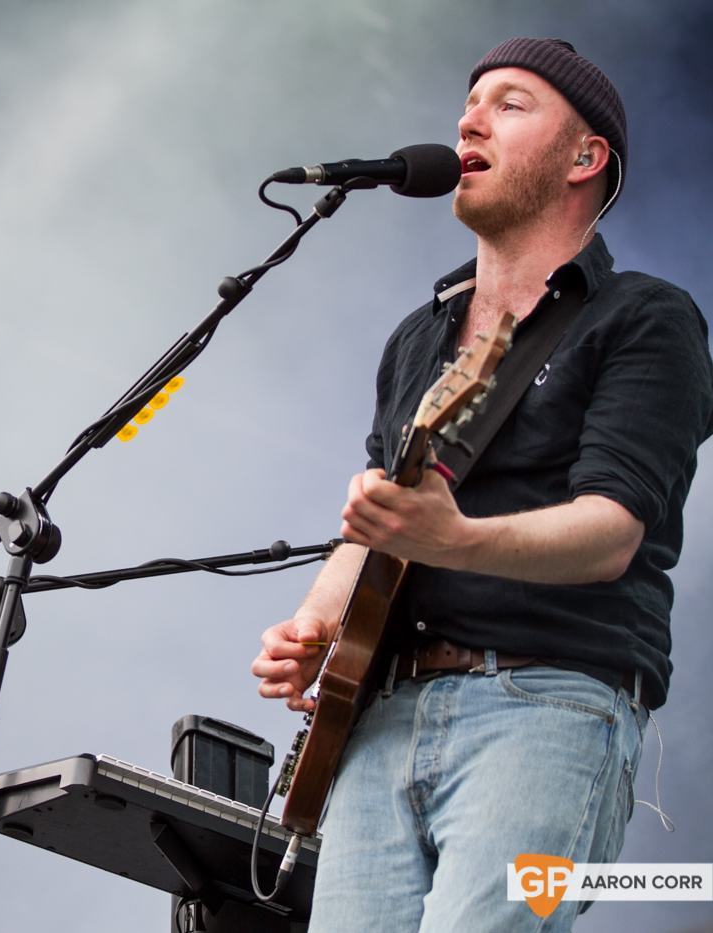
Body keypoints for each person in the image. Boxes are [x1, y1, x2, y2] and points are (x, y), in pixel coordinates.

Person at [251, 38, 712, 931]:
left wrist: (454, 539)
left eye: (510, 103)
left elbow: (612, 530)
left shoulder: (645, 319)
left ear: (586, 157)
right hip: (380, 719)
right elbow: (381, 524)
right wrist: (315, 625)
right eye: (470, 103)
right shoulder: (418, 340)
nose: (469, 118)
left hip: (546, 704)